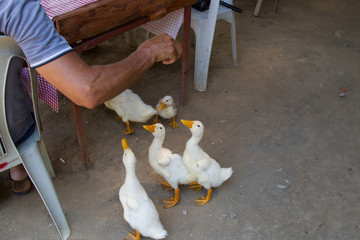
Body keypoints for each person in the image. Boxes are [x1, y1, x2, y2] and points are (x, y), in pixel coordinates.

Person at [0, 0, 182, 195]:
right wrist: (148, 53)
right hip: (9, 133)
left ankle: (15, 166)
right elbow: (87, 90)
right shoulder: (14, 6)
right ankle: (17, 163)